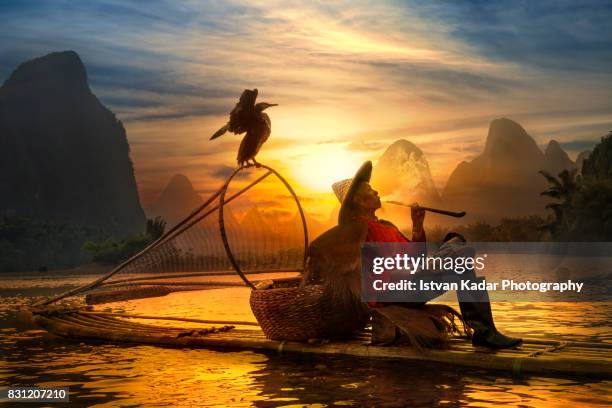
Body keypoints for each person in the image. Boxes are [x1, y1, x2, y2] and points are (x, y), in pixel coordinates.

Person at [302, 161, 522, 349]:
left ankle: (484, 331)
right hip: (391, 292)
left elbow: (414, 260)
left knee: (457, 251)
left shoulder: (387, 226)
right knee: (456, 258)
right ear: (358, 201)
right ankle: (484, 331)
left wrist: (417, 226)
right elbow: (323, 248)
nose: (376, 192)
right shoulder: (356, 230)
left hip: (409, 284)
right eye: (370, 190)